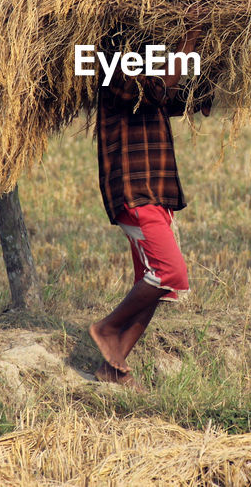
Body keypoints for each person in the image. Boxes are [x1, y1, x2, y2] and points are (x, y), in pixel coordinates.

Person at [89, 26, 210, 387]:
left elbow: (166, 97)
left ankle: (113, 366)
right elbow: (155, 88)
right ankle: (106, 329)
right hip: (134, 190)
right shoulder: (112, 63)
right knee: (172, 275)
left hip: (154, 191)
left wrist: (202, 89)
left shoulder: (141, 70)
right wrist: (188, 41)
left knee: (155, 283)